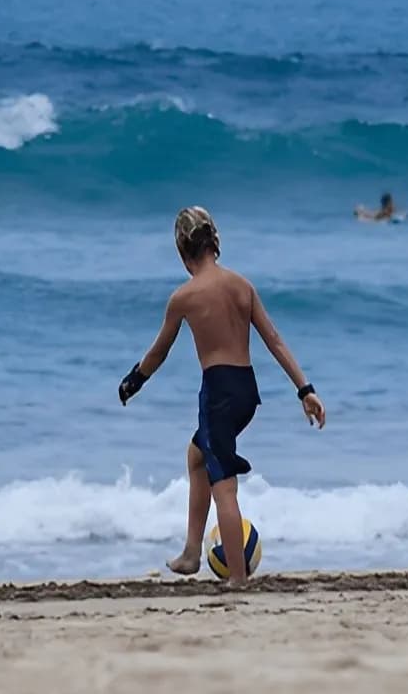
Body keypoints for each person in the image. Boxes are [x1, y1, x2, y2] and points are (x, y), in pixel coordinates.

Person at [117, 206, 326, 586]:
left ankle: (238, 580)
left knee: (223, 485)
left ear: (183, 253)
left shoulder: (183, 297)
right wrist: (304, 389)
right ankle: (191, 553)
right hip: (246, 392)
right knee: (197, 456)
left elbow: (158, 352)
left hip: (217, 393)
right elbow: (275, 340)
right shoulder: (242, 285)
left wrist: (135, 380)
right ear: (215, 241)